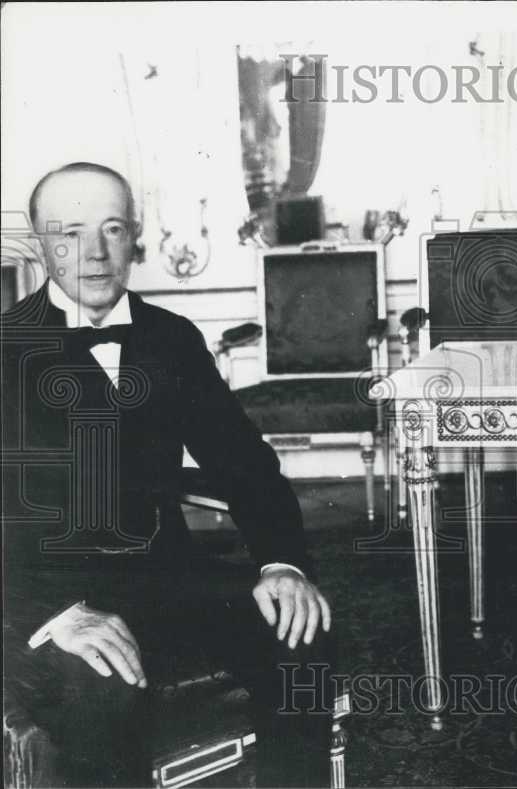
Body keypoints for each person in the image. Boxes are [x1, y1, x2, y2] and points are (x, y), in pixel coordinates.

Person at [2, 162, 334, 786]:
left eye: (112, 230)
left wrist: (282, 564)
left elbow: (246, 467)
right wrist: (55, 613)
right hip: (41, 599)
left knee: (301, 636)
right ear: (40, 238)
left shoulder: (171, 338)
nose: (96, 255)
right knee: (103, 682)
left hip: (167, 579)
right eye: (70, 234)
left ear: (135, 234)